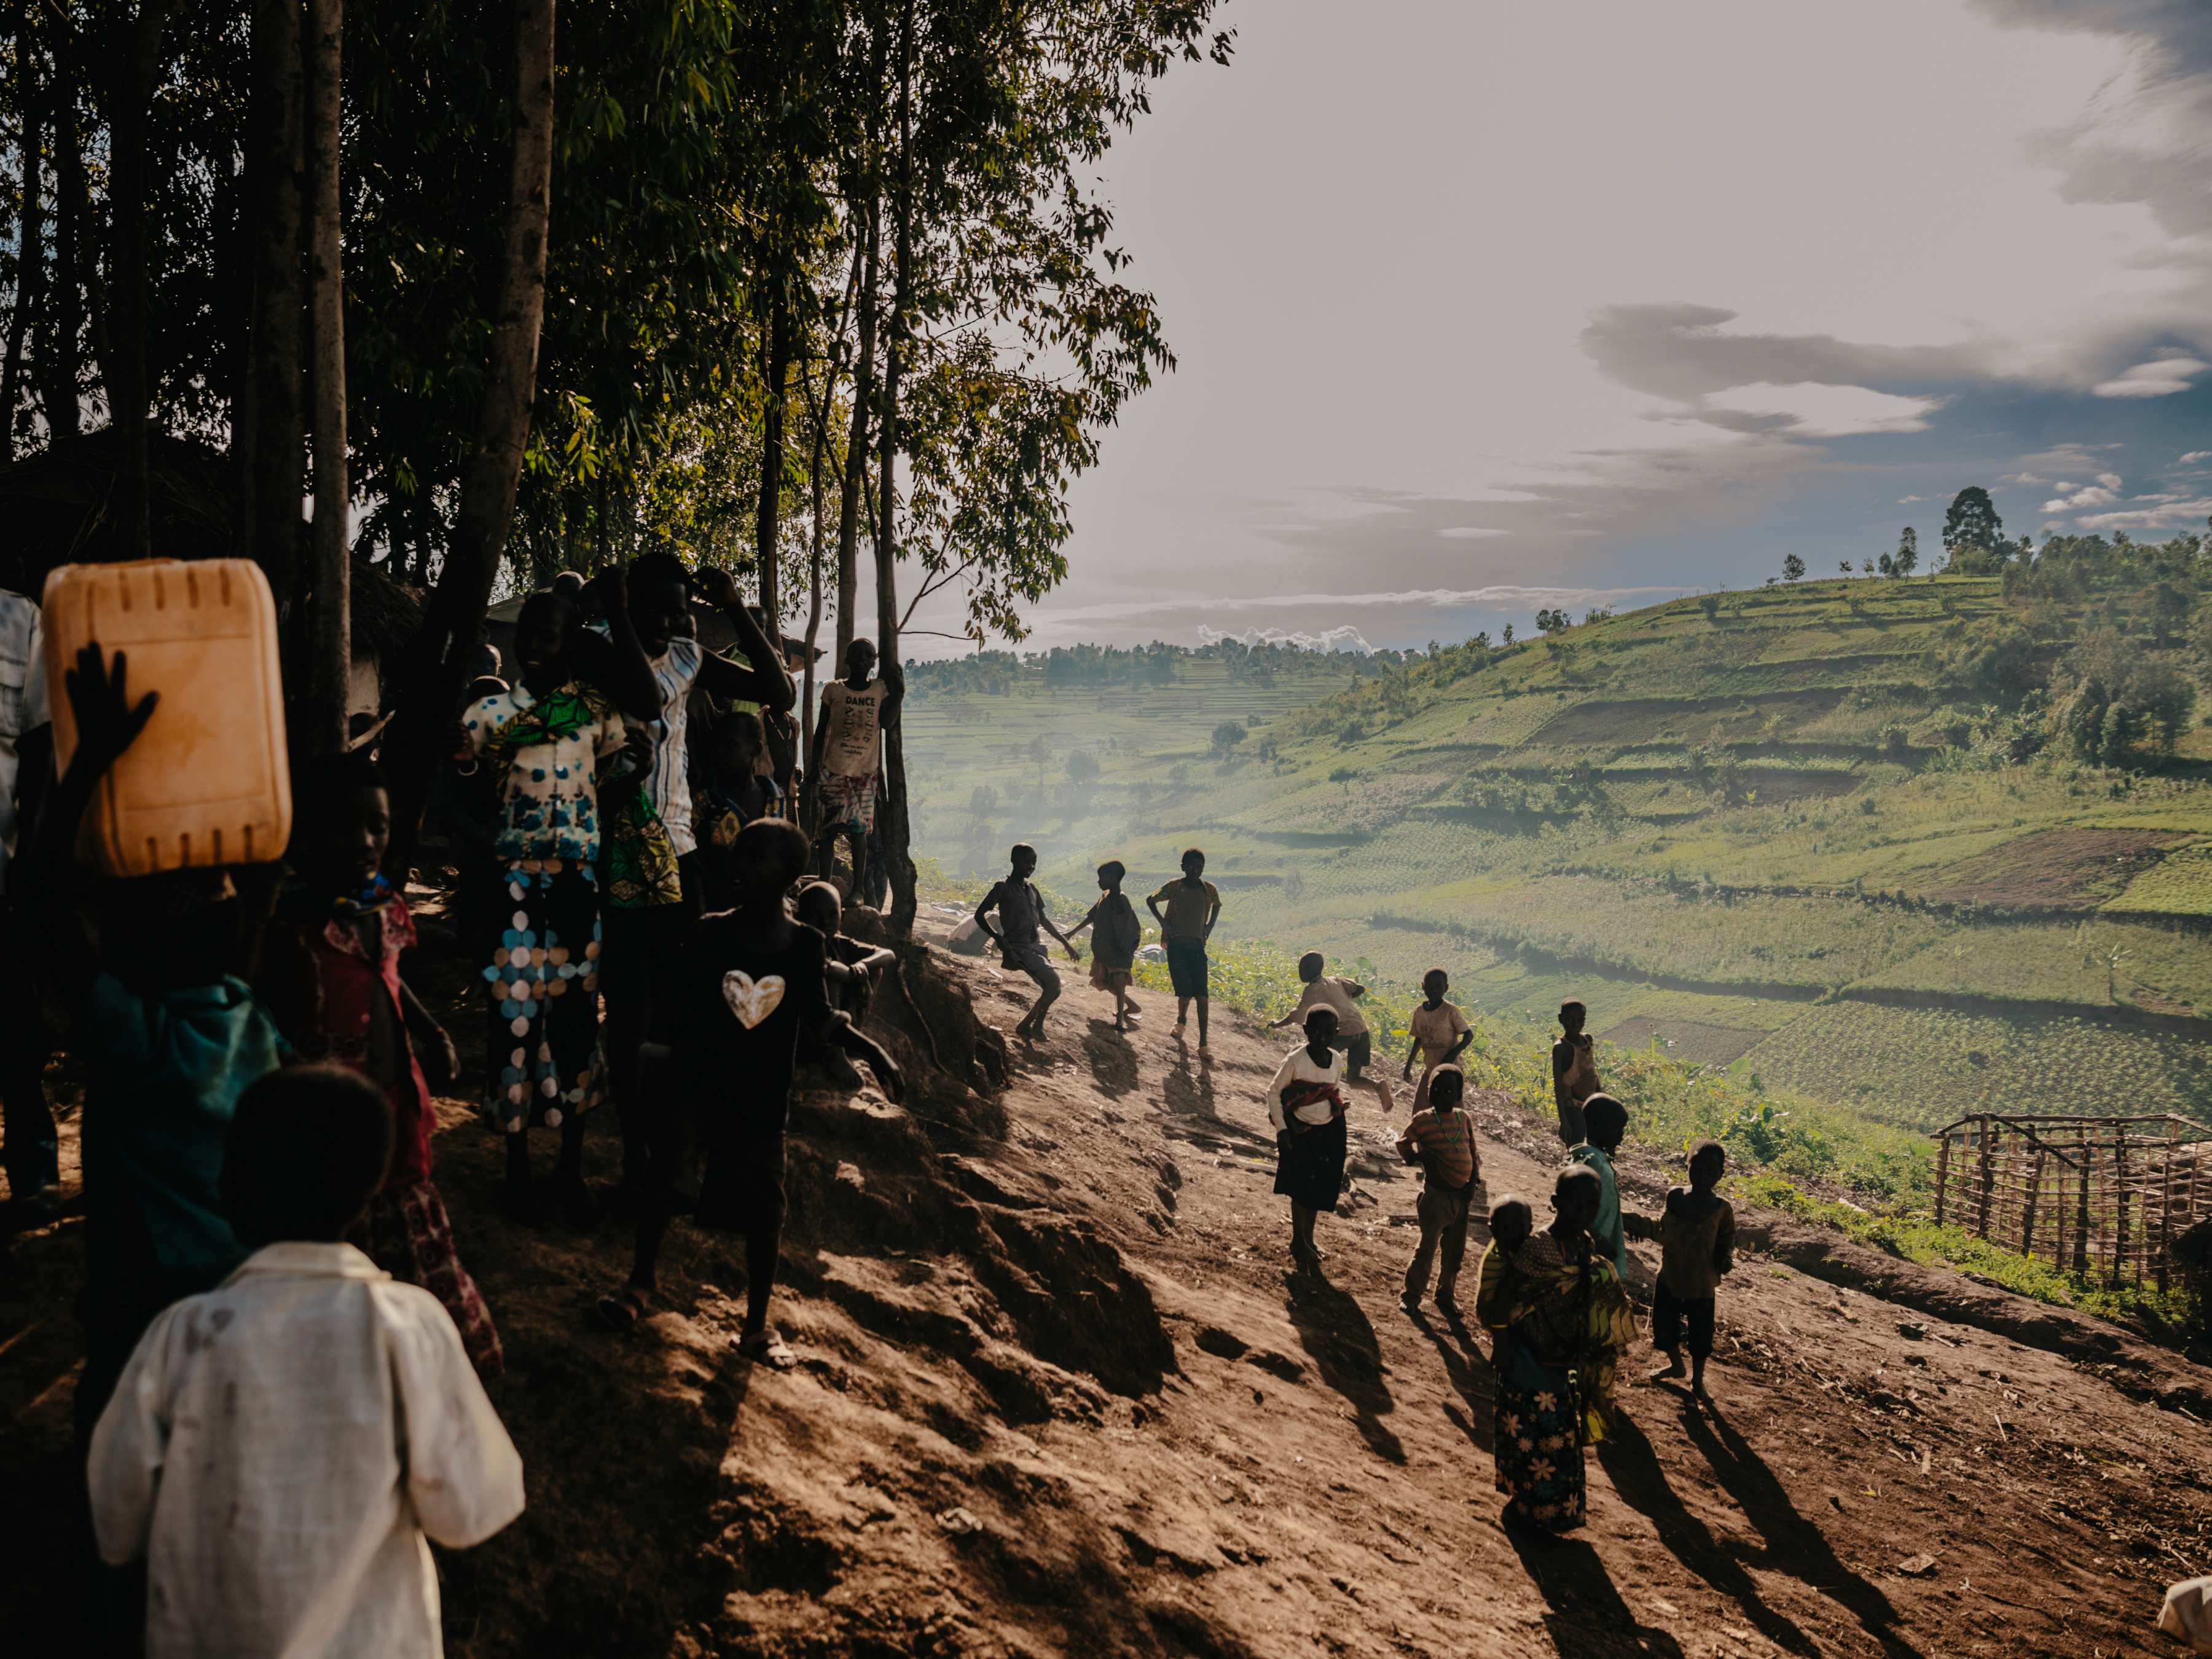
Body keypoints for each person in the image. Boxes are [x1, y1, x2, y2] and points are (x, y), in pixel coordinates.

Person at [87, 1065, 525, 1658]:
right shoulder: (404, 1326)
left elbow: (118, 1513)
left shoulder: (182, 1335)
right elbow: (471, 1508)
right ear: (370, 1191)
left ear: (230, 1188)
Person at [16, 645, 287, 1446]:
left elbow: (35, 900)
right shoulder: (247, 1017)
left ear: (126, 948)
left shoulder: (137, 1037)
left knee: (127, 1458)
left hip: (145, 1305)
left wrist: (93, 760)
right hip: (239, 1302)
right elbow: (242, 914)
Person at [597, 820, 904, 1367]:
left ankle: (757, 1327)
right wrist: (649, 1090)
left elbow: (819, 1018)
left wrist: (875, 1052)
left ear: (787, 875)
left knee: (766, 1216)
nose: (739, 866)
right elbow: (671, 1016)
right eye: (738, 856)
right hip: (695, 1087)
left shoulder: (804, 944)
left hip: (761, 1103)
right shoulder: (708, 933)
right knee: (663, 1185)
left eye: (756, 859)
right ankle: (638, 1286)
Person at [257, 751, 503, 1379]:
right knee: (339, 1258)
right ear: (307, 832)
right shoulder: (286, 920)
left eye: (379, 827)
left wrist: (434, 1032)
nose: (366, 842)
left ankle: (444, 1377)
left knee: (422, 1252)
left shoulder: (384, 903)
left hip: (399, 1108)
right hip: (325, 1124)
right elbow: (256, 1011)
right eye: (346, 828)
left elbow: (391, 982)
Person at [598, 557, 794, 1191]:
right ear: (627, 606)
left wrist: (734, 608)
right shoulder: (599, 647)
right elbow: (640, 696)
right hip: (616, 849)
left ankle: (668, 1143)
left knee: (680, 1009)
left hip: (678, 848)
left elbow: (779, 690)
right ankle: (634, 1152)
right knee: (630, 1008)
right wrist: (616, 613)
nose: (665, 620)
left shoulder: (688, 654)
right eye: (649, 607)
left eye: (676, 609)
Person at [451, 589, 631, 1225]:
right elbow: (473, 807)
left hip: (579, 885)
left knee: (577, 1023)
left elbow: (620, 780)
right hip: (513, 886)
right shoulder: (489, 715)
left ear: (569, 642)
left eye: (546, 635)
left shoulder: (597, 715)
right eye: (526, 634)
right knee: (515, 1022)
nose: (532, 645)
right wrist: (471, 775)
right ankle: (519, 1169)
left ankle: (570, 1168)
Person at [1480, 1166, 1637, 1532]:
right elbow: (1505, 1296)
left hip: (1558, 1357)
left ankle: (1547, 1512)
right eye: (1573, 1203)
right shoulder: (1539, 1246)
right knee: (1534, 1435)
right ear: (1555, 1203)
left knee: (1557, 1438)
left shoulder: (1583, 1244)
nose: (1582, 1212)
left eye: (1591, 1205)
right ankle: (1530, 1512)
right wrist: (1500, 1345)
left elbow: (1605, 1262)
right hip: (1524, 1356)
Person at [0, 578, 55, 1222]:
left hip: (6, 881)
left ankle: (34, 1172)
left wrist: (34, 871)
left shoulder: (22, 620)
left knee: (15, 1035)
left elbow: (42, 753)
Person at [1623, 1139, 1736, 1400]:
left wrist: (1725, 1258)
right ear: (1687, 1166)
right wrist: (1631, 1221)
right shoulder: (1675, 1197)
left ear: (1721, 1173)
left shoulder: (1722, 1208)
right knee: (1663, 1327)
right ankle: (1676, 1366)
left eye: (1711, 1171)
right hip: (1670, 1278)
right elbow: (1664, 1228)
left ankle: (1698, 1381)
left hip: (1703, 1284)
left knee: (1701, 1336)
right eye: (1696, 1169)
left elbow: (1727, 1238)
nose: (1703, 1176)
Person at [808, 637, 903, 900]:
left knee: (858, 831)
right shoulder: (833, 690)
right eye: (857, 654)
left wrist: (899, 695)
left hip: (864, 773)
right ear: (847, 659)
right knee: (826, 831)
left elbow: (887, 723)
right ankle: (824, 885)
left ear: (874, 662)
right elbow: (820, 731)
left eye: (868, 655)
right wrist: (815, 766)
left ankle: (858, 889)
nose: (862, 658)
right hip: (833, 769)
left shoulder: (880, 689)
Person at [1266, 1007, 1357, 1272]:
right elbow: (1274, 1093)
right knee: (1301, 1187)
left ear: (1336, 1034)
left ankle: (1309, 1238)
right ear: (1305, 1031)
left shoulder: (1337, 1059)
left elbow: (1331, 1090)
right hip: (1299, 1132)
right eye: (1316, 1031)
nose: (1322, 1037)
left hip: (1328, 1129)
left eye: (1328, 1032)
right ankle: (1297, 1240)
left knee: (1318, 1186)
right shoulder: (1296, 1060)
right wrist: (1283, 1129)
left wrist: (1336, 1108)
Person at [1394, 1063, 1479, 1314]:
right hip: (1435, 1198)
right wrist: (1418, 1158)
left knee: (1455, 1253)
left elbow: (1473, 1153)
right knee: (1427, 1248)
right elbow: (1402, 1143)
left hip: (1462, 1199)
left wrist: (1473, 1183)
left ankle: (1446, 1294)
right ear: (1429, 1090)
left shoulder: (1464, 1119)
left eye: (1448, 1090)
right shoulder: (1423, 1120)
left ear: (1459, 1095)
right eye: (1436, 1089)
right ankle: (1412, 1295)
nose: (1441, 1094)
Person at [793, 880, 895, 1087]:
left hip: (834, 1023)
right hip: (805, 1034)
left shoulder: (841, 943)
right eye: (815, 915)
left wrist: (863, 966)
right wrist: (852, 973)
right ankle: (834, 1051)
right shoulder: (800, 944)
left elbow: (888, 955)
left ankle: (852, 1034)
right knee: (834, 975)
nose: (825, 922)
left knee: (875, 968)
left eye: (832, 915)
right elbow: (828, 969)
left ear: (843, 916)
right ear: (800, 918)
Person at [974, 842, 1080, 1041]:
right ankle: (1037, 1026)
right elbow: (979, 915)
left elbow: (1044, 921)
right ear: (1014, 861)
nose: (1031, 867)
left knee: (1054, 989)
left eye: (1034, 863)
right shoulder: (1003, 888)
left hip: (1035, 947)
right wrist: (997, 937)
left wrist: (1067, 944)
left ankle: (1025, 1025)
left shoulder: (1032, 890)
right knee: (1054, 983)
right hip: (1017, 947)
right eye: (1026, 862)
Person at [1271, 951, 1397, 1112]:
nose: (1299, 971)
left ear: (1307, 969)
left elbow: (1296, 1015)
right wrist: (1346, 999)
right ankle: (1377, 1086)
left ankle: (1329, 1101)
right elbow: (1359, 988)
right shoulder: (1334, 980)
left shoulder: (1312, 991)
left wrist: (1277, 1024)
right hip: (1362, 1030)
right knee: (1353, 1079)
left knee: (1318, 1064)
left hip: (1343, 1031)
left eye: (1301, 968)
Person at [694, 709, 783, 914]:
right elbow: (696, 861)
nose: (720, 752)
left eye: (731, 744)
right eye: (715, 746)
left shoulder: (775, 797)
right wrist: (717, 890)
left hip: (769, 906)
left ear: (757, 749)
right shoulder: (706, 803)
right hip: (723, 907)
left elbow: (782, 850)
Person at [1146, 848, 1220, 1051]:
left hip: (1197, 947)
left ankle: (1204, 1043)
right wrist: (1164, 923)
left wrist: (1210, 926)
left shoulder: (1209, 889)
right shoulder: (1175, 887)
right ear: (1183, 867)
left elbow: (1217, 905)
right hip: (1177, 947)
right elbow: (1151, 900)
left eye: (1199, 867)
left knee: (1203, 996)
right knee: (1186, 994)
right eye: (1191, 866)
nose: (1195, 870)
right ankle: (1181, 1021)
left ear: (1203, 868)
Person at [1065, 860, 1142, 1032]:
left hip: (1119, 948)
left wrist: (1127, 946)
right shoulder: (1105, 896)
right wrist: (1072, 932)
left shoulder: (1122, 899)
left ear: (1113, 878)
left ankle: (1121, 1018)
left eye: (1102, 878)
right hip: (1105, 947)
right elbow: (1093, 917)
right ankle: (1132, 1006)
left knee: (1118, 978)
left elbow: (1131, 925)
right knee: (1107, 981)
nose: (1099, 882)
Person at [1567, 1092, 1629, 1269]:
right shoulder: (1592, 1161)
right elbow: (1576, 1208)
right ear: (1594, 1123)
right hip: (1587, 1247)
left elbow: (1602, 1204)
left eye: (1623, 1128)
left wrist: (1623, 1219)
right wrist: (1598, 1239)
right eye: (1616, 1127)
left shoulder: (1600, 1158)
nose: (1621, 1133)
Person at [1402, 967, 1473, 1114]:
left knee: (1456, 1111)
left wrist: (1451, 1055)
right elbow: (1419, 1038)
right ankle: (1418, 1136)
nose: (1433, 990)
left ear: (1446, 989)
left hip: (1451, 1072)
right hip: (1430, 1069)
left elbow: (1469, 1035)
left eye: (1438, 987)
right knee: (1419, 1110)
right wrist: (1408, 1065)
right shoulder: (1419, 1012)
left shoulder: (1450, 1011)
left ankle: (1463, 1135)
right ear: (1423, 986)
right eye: (1429, 986)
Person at [1551, 997, 1604, 1147]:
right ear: (1561, 1019)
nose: (1575, 1025)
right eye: (1570, 1019)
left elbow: (1593, 1072)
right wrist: (1564, 1121)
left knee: (1596, 1149)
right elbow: (1559, 1086)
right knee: (1577, 1150)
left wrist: (1602, 1100)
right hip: (1574, 1109)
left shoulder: (1587, 1040)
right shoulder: (1560, 1049)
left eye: (1580, 1021)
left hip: (1593, 1106)